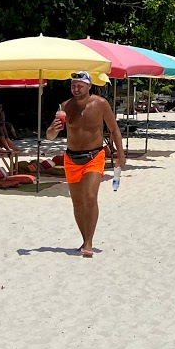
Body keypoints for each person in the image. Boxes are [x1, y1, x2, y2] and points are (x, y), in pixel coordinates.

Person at [46, 72, 124, 258]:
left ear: (89, 86)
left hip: (94, 155)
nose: (76, 88)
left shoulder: (100, 104)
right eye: (73, 85)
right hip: (71, 158)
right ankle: (84, 239)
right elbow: (49, 136)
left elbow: (114, 129)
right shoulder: (65, 107)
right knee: (78, 203)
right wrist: (53, 129)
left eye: (80, 85)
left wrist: (120, 154)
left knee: (90, 196)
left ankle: (89, 242)